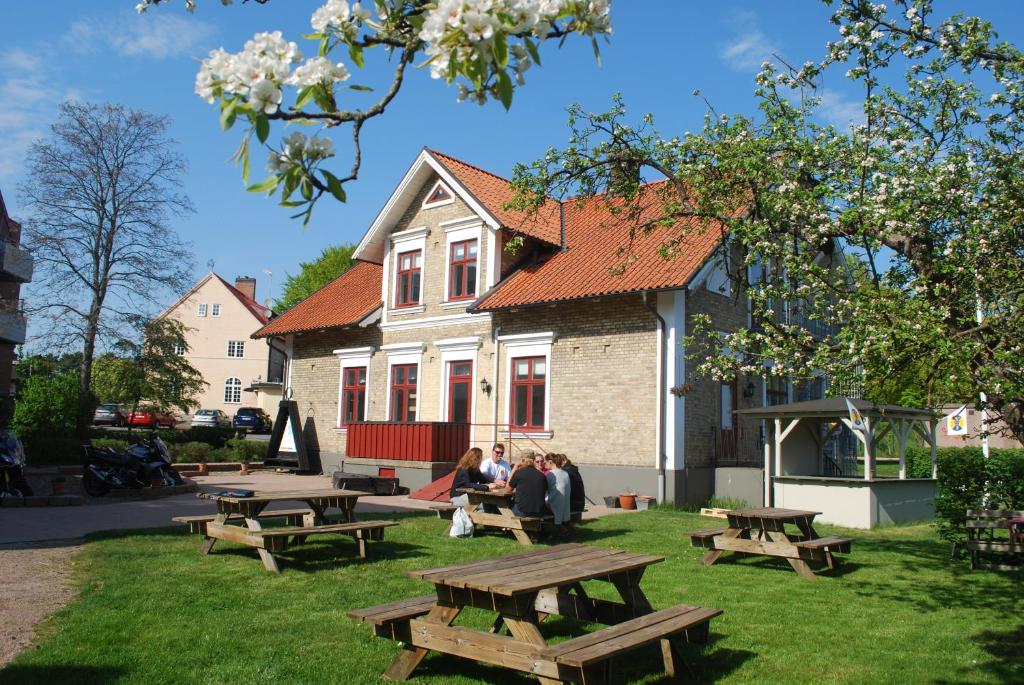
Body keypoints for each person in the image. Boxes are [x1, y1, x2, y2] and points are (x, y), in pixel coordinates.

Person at [545, 453, 572, 528]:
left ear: (550, 462)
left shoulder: (550, 474)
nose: (545, 464)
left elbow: (543, 490)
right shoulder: (565, 473)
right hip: (565, 506)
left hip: (553, 504)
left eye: (546, 462)